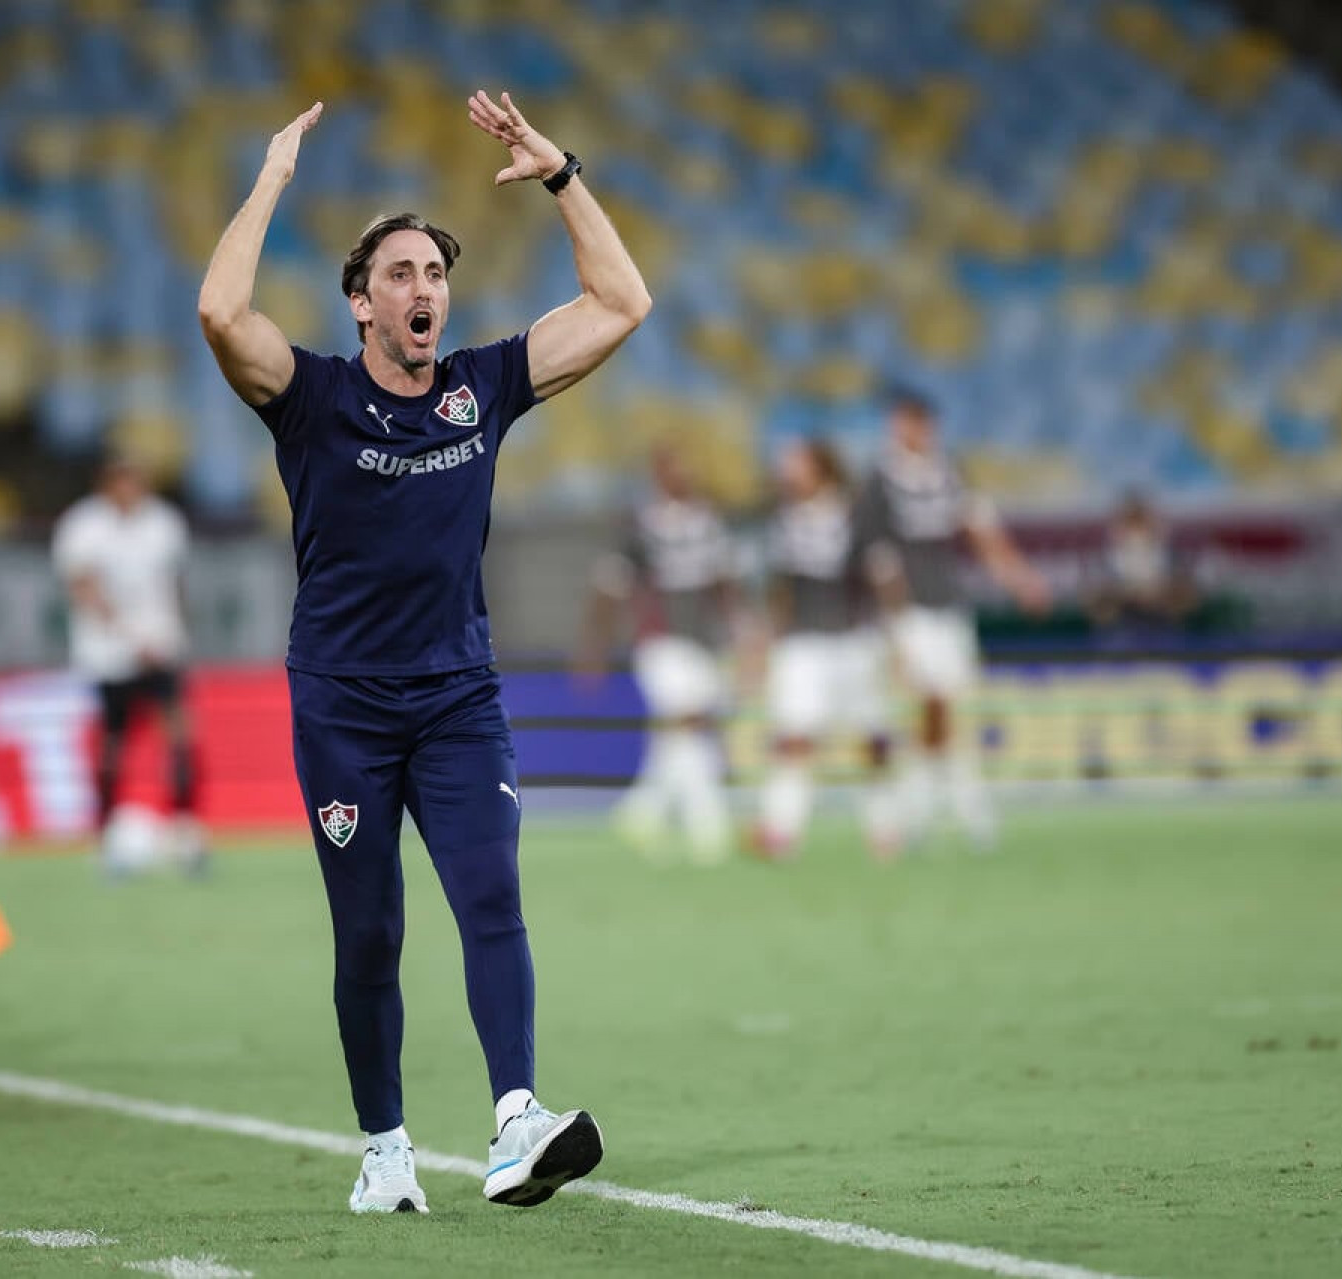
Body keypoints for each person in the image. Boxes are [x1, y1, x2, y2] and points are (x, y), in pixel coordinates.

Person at [197, 90, 650, 1214]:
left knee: (491, 895)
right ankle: (384, 1149)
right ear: (359, 303)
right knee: (371, 935)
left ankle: (513, 1123)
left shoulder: (481, 387)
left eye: (435, 275)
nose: (423, 291)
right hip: (342, 706)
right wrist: (271, 181)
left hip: (456, 697)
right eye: (398, 274)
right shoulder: (310, 399)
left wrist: (561, 174)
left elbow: (623, 301)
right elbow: (218, 311)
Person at [853, 386, 1048, 850]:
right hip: (912, 614)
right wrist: (895, 624)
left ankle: (920, 813)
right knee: (933, 709)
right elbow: (879, 559)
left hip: (948, 609)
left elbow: (983, 531)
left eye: (917, 422)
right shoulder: (880, 481)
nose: (909, 431)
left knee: (945, 716)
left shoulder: (949, 472)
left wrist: (1019, 579)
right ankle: (961, 811)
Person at [578, 442, 745, 865]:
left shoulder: (708, 521)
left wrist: (743, 631)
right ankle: (710, 829)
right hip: (661, 640)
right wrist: (594, 647)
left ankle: (640, 815)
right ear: (657, 474)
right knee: (686, 723)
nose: (681, 475)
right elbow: (610, 588)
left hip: (704, 642)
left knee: (682, 732)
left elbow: (725, 583)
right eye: (672, 467)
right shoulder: (641, 525)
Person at [50, 453, 204, 876]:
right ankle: (105, 833)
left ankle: (187, 828)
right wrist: (133, 640)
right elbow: (85, 590)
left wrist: (173, 633)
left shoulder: (164, 523)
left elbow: (175, 583)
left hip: (162, 646)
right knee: (113, 742)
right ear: (107, 484)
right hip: (109, 654)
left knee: (179, 733)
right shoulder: (83, 527)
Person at [752, 438, 897, 860]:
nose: (786, 471)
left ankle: (884, 827)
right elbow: (780, 588)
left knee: (872, 739)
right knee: (794, 737)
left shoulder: (855, 514)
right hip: (803, 644)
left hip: (854, 640)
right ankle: (781, 830)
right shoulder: (783, 519)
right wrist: (765, 641)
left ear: (821, 468)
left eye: (795, 463)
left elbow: (882, 575)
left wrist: (896, 635)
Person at [1086, 490, 1197, 633]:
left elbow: (1182, 587)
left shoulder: (1168, 552)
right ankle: (1114, 639)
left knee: (1183, 594)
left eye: (1140, 522)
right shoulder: (1109, 555)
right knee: (1099, 599)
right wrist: (1126, 592)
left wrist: (1157, 591)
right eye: (1131, 522)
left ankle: (1172, 638)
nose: (1136, 529)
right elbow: (1099, 589)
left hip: (1159, 603)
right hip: (1123, 604)